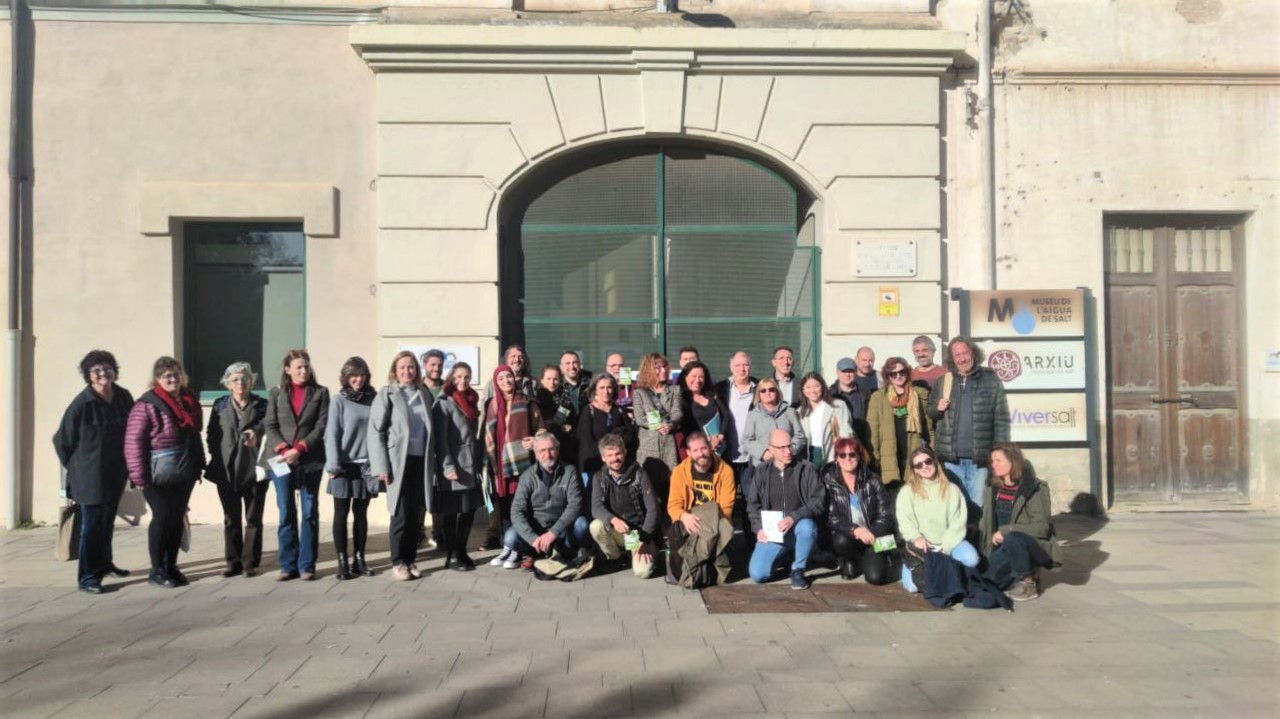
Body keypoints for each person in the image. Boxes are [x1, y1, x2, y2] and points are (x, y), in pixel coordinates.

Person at [53, 350, 135, 593]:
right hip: (90, 476)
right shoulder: (82, 403)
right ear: (88, 375)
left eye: (107, 368)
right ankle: (88, 578)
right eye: (97, 370)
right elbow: (62, 441)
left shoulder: (122, 397)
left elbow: (132, 430)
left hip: (115, 472)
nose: (103, 373)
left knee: (106, 522)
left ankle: (105, 564)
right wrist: (79, 468)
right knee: (92, 528)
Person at [124, 357, 205, 589]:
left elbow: (194, 432)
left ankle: (171, 565)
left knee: (176, 516)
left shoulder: (188, 400)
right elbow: (133, 442)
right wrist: (139, 476)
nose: (173, 379)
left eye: (176, 374)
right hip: (156, 473)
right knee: (162, 517)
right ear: (157, 379)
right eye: (167, 376)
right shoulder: (146, 404)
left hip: (184, 469)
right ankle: (157, 569)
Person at [261, 349, 329, 581]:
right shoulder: (276, 393)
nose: (303, 370)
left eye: (306, 366)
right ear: (287, 369)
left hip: (310, 459)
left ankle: (307, 565)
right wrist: (283, 449)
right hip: (282, 461)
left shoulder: (320, 393)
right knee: (286, 511)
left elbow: (321, 426)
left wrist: (299, 449)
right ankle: (287, 564)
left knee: (309, 512)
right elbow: (270, 425)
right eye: (298, 367)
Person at [369, 350, 437, 581]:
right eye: (402, 368)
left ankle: (410, 560)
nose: (407, 371)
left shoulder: (423, 394)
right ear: (395, 371)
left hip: (421, 461)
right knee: (400, 513)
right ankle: (398, 562)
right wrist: (381, 466)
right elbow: (375, 431)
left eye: (411, 367)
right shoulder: (387, 394)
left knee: (416, 514)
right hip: (398, 462)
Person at [927, 336, 1010, 511]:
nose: (962, 358)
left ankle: (977, 539)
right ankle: (959, 540)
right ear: (952, 358)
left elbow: (1001, 418)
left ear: (973, 353)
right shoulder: (944, 381)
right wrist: (937, 408)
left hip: (979, 459)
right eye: (957, 355)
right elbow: (931, 412)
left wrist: (1001, 452)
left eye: (965, 352)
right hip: (951, 458)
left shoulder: (991, 380)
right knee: (955, 505)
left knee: (978, 505)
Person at [206, 361, 269, 578]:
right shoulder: (219, 405)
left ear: (251, 382)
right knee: (230, 518)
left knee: (253, 518)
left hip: (254, 470)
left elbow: (270, 426)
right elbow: (212, 435)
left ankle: (249, 562)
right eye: (235, 379)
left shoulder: (262, 405)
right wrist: (217, 457)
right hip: (226, 470)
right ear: (228, 384)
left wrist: (257, 432)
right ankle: (232, 562)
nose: (240, 383)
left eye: (244, 378)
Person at [746, 428, 824, 589]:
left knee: (808, 527)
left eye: (790, 446)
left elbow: (818, 501)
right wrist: (758, 529)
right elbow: (753, 505)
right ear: (771, 450)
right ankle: (785, 558)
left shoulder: (806, 468)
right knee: (757, 574)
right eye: (782, 448)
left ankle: (798, 569)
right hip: (773, 532)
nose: (788, 451)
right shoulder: (761, 471)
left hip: (798, 528)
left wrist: (793, 517)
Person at [895, 446, 980, 593]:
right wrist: (916, 538)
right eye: (919, 465)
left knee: (972, 559)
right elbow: (905, 520)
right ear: (914, 469)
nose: (925, 466)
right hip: (922, 548)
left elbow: (958, 523)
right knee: (912, 587)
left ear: (935, 462)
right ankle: (909, 566)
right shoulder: (907, 491)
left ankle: (953, 572)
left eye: (928, 461)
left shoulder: (952, 490)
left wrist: (946, 546)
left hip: (948, 543)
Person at [323, 357, 378, 580]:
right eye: (354, 375)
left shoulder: (373, 399)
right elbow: (332, 433)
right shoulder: (338, 401)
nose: (359, 379)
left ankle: (359, 559)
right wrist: (333, 464)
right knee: (341, 514)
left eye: (362, 375)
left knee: (361, 515)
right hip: (343, 466)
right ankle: (342, 561)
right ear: (346, 377)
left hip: (365, 466)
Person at [981, 442, 1058, 602]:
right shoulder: (993, 487)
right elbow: (986, 523)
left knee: (1013, 538)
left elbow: (1042, 528)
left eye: (998, 460)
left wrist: (1007, 530)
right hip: (1003, 549)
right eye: (992, 461)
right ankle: (1016, 575)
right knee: (983, 584)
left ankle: (1028, 583)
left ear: (1013, 460)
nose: (993, 465)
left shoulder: (1033, 488)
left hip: (1032, 546)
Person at [482, 364, 543, 565]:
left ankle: (520, 549)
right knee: (506, 508)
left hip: (523, 465)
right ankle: (509, 547)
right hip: (500, 467)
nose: (506, 381)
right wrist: (490, 465)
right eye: (501, 379)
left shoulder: (527, 402)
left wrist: (535, 441)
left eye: (509, 377)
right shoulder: (491, 404)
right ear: (495, 383)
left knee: (523, 507)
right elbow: (488, 437)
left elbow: (541, 430)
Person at [665, 431, 737, 586]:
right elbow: (673, 506)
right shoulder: (679, 472)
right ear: (689, 453)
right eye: (695, 450)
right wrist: (684, 516)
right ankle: (680, 571)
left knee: (724, 531)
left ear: (710, 447)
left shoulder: (725, 471)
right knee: (675, 530)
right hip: (690, 518)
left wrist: (705, 524)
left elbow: (726, 509)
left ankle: (708, 571)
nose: (701, 454)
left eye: (704, 448)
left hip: (715, 520)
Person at [508, 431, 590, 565]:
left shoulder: (570, 471)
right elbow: (516, 511)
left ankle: (565, 550)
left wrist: (553, 533)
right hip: (537, 529)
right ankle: (535, 551)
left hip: (563, 529)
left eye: (551, 449)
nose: (548, 455)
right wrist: (532, 538)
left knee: (582, 525)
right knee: (510, 538)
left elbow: (575, 505)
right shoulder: (527, 476)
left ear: (557, 451)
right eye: (542, 451)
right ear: (536, 454)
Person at [820, 437, 894, 584]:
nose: (848, 458)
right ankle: (850, 560)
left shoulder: (873, 479)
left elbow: (886, 515)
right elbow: (831, 516)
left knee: (876, 579)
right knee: (840, 541)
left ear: (859, 457)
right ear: (836, 459)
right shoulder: (828, 481)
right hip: (849, 535)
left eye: (852, 454)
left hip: (874, 535)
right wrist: (855, 530)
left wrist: (870, 532)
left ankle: (883, 554)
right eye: (843, 455)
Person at [434, 361, 484, 572]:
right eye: (458, 377)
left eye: (466, 376)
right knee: (452, 511)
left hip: (471, 465)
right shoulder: (444, 402)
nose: (462, 381)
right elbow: (441, 439)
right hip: (454, 467)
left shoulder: (472, 400)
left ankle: (462, 551)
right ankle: (452, 554)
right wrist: (447, 467)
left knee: (469, 510)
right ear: (451, 379)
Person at [588, 433, 658, 578]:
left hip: (639, 534)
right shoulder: (599, 477)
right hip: (618, 531)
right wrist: (612, 519)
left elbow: (653, 510)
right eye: (610, 455)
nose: (615, 459)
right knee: (595, 526)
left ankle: (637, 553)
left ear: (625, 452)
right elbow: (596, 507)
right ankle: (617, 559)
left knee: (642, 572)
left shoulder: (640, 474)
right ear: (603, 458)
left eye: (618, 453)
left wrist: (643, 539)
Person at [867, 357, 931, 487]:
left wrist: (932, 450)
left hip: (913, 449)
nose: (898, 376)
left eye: (902, 372)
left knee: (915, 490)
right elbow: (872, 430)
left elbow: (928, 427)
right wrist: (874, 456)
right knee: (893, 492)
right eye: (893, 373)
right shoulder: (878, 397)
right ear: (887, 376)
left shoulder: (918, 394)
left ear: (907, 372)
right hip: (889, 453)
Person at [631, 352, 683, 503]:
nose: (663, 370)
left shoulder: (675, 390)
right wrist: (656, 425)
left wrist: (671, 424)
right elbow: (640, 418)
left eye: (665, 366)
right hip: (648, 446)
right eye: (658, 367)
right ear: (648, 370)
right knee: (648, 490)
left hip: (668, 444)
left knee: (670, 487)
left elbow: (677, 412)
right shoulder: (639, 393)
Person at [740, 378, 807, 473]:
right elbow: (746, 440)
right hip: (763, 466)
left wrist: (789, 451)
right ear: (759, 395)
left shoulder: (789, 412)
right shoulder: (753, 415)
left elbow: (800, 437)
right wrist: (763, 453)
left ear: (777, 392)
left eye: (771, 389)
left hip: (789, 466)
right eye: (763, 391)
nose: (768, 393)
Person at [575, 373, 635, 479]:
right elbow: (586, 441)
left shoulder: (619, 410)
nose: (606, 391)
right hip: (593, 467)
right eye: (602, 387)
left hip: (617, 466)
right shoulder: (588, 411)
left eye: (609, 387)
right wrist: (607, 454)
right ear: (595, 390)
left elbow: (630, 434)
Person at [795, 371, 853, 466]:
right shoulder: (800, 412)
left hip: (832, 453)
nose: (812, 390)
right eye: (808, 387)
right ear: (803, 390)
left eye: (816, 386)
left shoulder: (837, 406)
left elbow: (845, 432)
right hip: (808, 455)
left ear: (823, 387)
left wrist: (842, 454)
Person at [715, 351, 757, 477]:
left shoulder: (760, 388)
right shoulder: (720, 388)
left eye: (745, 365)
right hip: (725, 454)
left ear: (750, 367)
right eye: (737, 365)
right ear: (731, 367)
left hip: (751, 456)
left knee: (751, 496)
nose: (742, 369)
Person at [678, 361, 729, 458]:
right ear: (685, 377)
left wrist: (720, 437)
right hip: (698, 452)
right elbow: (686, 428)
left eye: (701, 377)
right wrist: (708, 440)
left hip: (719, 448)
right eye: (693, 376)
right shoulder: (682, 400)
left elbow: (726, 415)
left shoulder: (712, 394)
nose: (697, 380)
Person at [534, 364, 576, 465]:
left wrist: (570, 427)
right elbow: (551, 425)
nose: (552, 383)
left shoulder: (565, 399)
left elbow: (562, 421)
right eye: (548, 379)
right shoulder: (536, 400)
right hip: (544, 449)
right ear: (542, 380)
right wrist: (558, 426)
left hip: (564, 449)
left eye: (555, 379)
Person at [830, 357, 871, 437]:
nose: (847, 375)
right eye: (844, 371)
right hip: (838, 442)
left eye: (851, 371)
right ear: (837, 372)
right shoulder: (829, 395)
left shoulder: (866, 394)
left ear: (856, 372)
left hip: (861, 440)